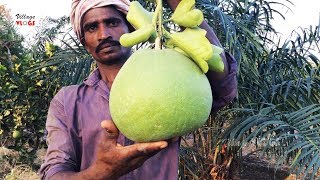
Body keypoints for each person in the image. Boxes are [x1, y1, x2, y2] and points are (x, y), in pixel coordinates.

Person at [39, 0, 237, 179]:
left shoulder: (170, 78)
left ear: (131, 27)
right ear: (83, 41)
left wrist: (178, 4)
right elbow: (54, 173)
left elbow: (221, 73)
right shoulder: (67, 101)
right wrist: (101, 172)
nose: (104, 34)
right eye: (92, 28)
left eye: (112, 23)